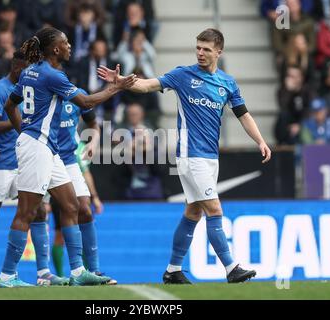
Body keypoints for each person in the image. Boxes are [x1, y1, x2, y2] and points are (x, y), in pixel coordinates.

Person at [98, 28, 272, 284]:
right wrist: (123, 80)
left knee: (193, 212)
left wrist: (260, 141)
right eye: (198, 47)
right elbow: (148, 85)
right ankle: (231, 267)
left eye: (206, 49)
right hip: (191, 155)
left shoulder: (227, 83)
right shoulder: (183, 75)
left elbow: (243, 114)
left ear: (219, 52)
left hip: (211, 157)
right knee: (214, 210)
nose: (200, 53)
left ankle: (173, 270)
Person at [0, 26, 136, 287]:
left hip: (46, 149)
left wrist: (24, 131)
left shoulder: (29, 72)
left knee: (71, 205)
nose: (70, 46)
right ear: (55, 49)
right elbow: (84, 103)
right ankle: (6, 276)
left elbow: (10, 105)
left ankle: (77, 272)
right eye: (66, 42)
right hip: (37, 147)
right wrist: (115, 88)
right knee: (27, 212)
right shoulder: (52, 75)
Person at [0, 50, 69, 287]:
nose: (29, 74)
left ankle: (43, 274)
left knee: (39, 212)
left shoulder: (30, 87)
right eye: (25, 70)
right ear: (16, 68)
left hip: (22, 162)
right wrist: (21, 124)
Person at [50, 89, 114, 283]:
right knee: (43, 222)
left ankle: (93, 271)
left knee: (84, 209)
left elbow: (94, 124)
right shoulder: (41, 96)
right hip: (47, 160)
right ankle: (47, 274)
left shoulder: (76, 96)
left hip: (69, 162)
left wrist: (93, 142)